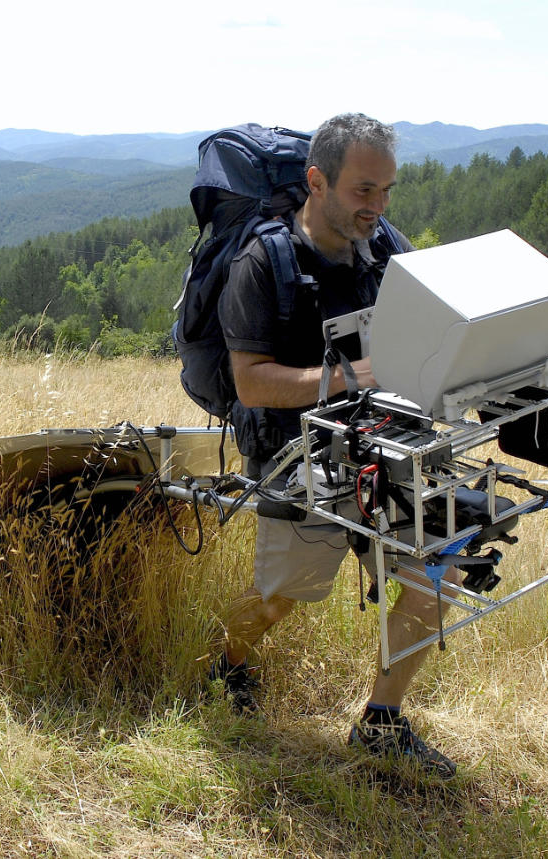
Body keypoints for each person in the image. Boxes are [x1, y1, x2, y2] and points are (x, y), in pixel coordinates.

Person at [210, 113, 458, 779]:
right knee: (280, 597)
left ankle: (381, 723)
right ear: (317, 182)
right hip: (295, 458)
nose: (377, 206)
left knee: (439, 573)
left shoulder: (385, 251)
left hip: (385, 443)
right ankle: (226, 664)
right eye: (363, 190)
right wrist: (352, 376)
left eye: (387, 190)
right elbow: (251, 383)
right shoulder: (262, 264)